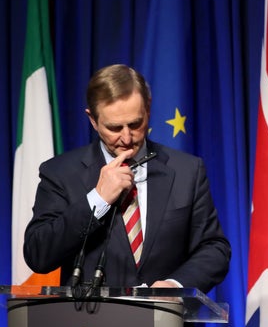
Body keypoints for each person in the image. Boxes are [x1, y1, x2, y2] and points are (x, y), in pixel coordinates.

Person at [23, 64, 230, 293]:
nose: (126, 137)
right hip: (89, 325)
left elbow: (214, 248)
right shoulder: (61, 173)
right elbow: (38, 254)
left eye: (135, 124)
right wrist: (98, 199)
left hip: (167, 322)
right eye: (114, 127)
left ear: (148, 109)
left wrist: (174, 286)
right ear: (92, 120)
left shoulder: (188, 170)